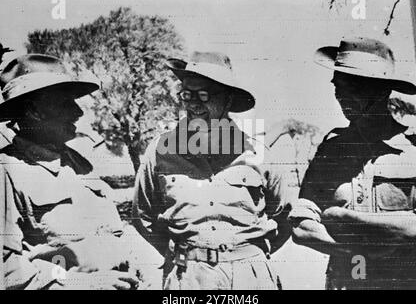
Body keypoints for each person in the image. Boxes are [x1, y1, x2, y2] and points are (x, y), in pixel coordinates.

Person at [132, 51, 294, 290]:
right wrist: (188, 253)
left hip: (250, 277)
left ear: (228, 99)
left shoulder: (258, 153)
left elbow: (285, 217)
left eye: (204, 94)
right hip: (187, 277)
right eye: (187, 95)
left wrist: (246, 256)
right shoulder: (159, 151)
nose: (195, 103)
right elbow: (143, 217)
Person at [0, 54, 160, 290]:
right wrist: (84, 284)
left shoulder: (78, 163)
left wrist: (132, 262)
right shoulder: (7, 170)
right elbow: (8, 270)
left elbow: (111, 234)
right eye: (65, 102)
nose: (78, 112)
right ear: (34, 110)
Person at [289, 37, 416, 289]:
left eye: (355, 88)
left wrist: (341, 217)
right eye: (339, 87)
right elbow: (301, 226)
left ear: (382, 90)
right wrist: (358, 250)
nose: (343, 97)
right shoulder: (331, 150)